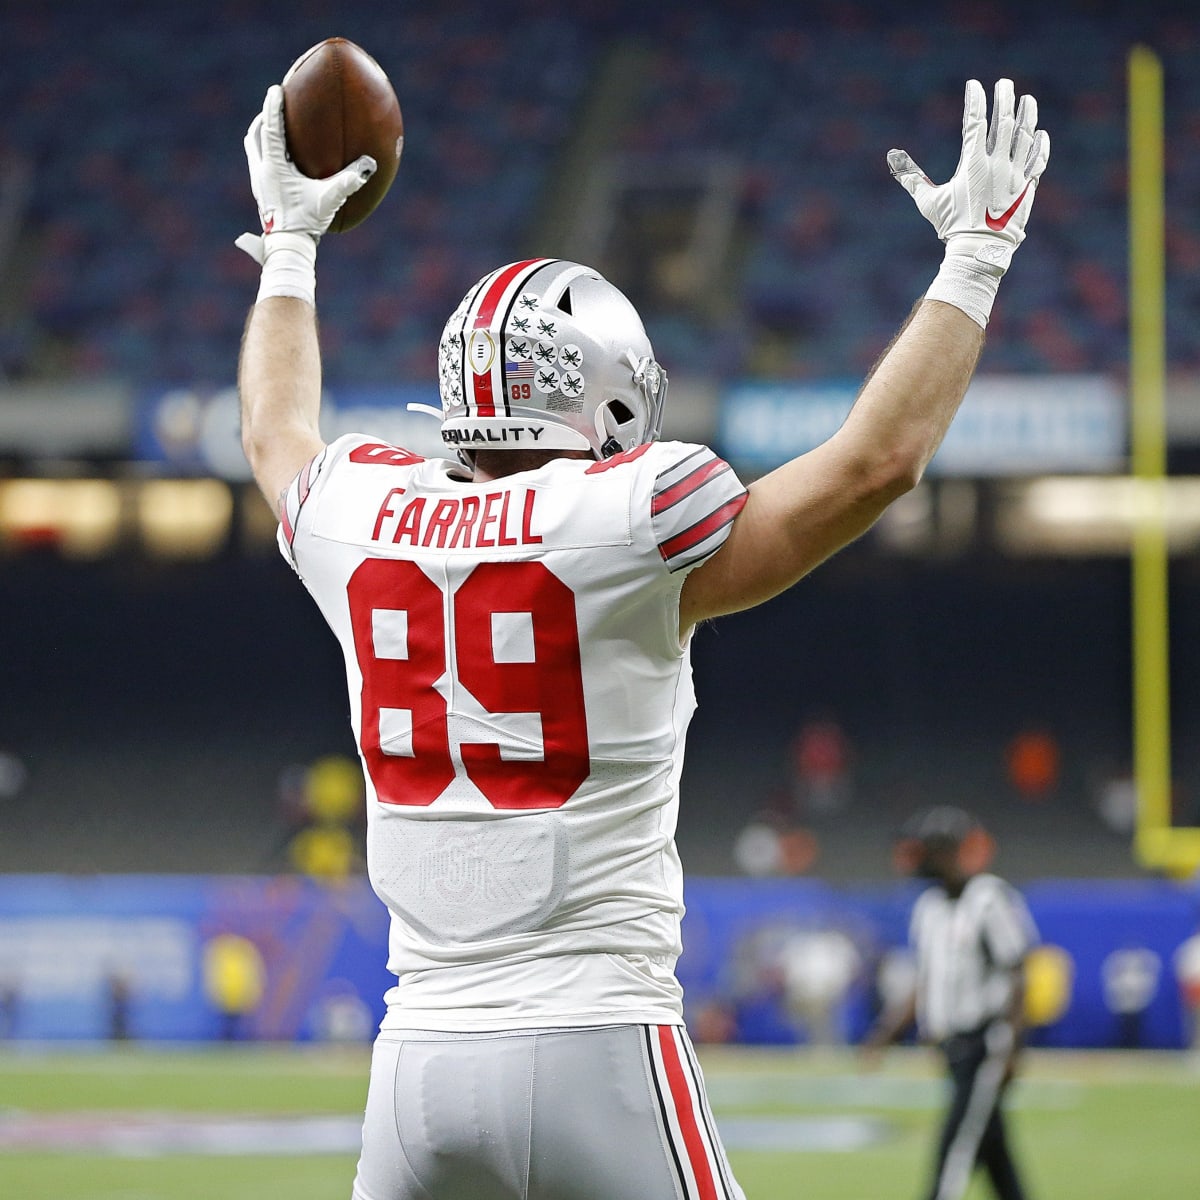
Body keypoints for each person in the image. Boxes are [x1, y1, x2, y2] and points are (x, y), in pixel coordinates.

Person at [236, 73, 1049, 1200]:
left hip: (413, 1062)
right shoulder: (630, 516)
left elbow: (275, 428)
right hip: (597, 1039)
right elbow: (876, 463)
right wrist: (976, 258)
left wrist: (289, 247)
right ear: (608, 396)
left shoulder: (357, 510)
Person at [861, 806, 1039, 1200]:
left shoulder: (989, 897)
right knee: (992, 1149)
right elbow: (925, 980)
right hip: (951, 1048)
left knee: (956, 1146)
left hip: (985, 1042)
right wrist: (887, 1032)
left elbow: (1017, 972)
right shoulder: (928, 908)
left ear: (944, 852)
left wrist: (1012, 1045)